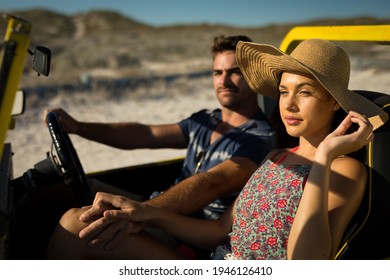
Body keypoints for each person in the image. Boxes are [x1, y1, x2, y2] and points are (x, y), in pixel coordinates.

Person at [46, 38, 388, 260]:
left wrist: (325, 156)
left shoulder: (344, 169)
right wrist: (144, 212)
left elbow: (305, 264)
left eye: (306, 92)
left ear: (333, 104)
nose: (290, 105)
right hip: (214, 260)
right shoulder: (276, 157)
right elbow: (220, 231)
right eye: (283, 92)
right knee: (74, 223)